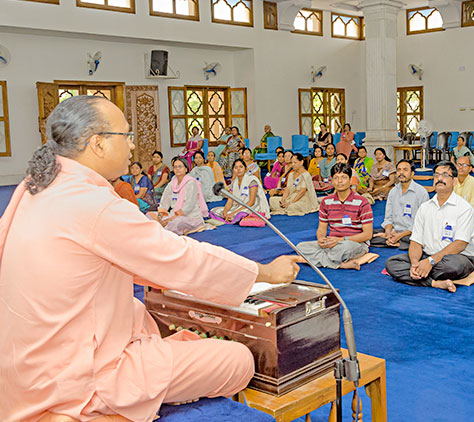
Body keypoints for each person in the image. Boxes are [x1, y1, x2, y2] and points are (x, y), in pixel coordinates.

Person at [0, 95, 300, 422]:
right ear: (97, 144)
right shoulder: (93, 202)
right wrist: (264, 272)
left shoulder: (33, 186)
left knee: (137, 310)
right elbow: (180, 257)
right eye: (125, 136)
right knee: (237, 360)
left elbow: (125, 260)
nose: (131, 147)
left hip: (21, 369)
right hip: (76, 375)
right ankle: (101, 411)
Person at [385, 161, 474, 293]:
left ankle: (419, 274)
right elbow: (416, 241)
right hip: (427, 256)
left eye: (445, 175)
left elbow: (459, 244)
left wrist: (430, 262)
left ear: (454, 181)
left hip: (456, 257)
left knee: (453, 267)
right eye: (436, 175)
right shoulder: (425, 208)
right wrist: (414, 263)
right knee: (392, 263)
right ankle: (435, 283)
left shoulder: (464, 209)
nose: (440, 179)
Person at [295, 163, 373, 270]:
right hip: (331, 243)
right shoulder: (326, 202)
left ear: (350, 180)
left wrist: (341, 240)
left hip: (354, 244)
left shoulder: (362, 202)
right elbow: (321, 228)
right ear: (332, 181)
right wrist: (321, 240)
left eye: (344, 178)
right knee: (300, 247)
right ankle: (340, 264)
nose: (339, 181)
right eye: (336, 178)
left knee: (345, 249)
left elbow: (368, 235)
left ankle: (320, 259)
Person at [371, 159, 429, 250]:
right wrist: (388, 232)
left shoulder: (421, 192)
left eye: (405, 170)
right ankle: (392, 240)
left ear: (412, 173)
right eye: (398, 170)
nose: (401, 173)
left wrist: (399, 235)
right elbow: (388, 217)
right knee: (368, 235)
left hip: (410, 233)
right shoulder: (393, 192)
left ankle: (394, 241)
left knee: (421, 240)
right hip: (395, 230)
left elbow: (421, 223)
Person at [149, 157, 208, 235]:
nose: (177, 169)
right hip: (173, 214)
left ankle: (160, 231)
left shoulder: (191, 183)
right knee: (149, 215)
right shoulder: (172, 183)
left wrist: (171, 219)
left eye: (180, 166)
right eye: (175, 167)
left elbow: (189, 206)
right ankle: (160, 228)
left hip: (189, 216)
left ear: (186, 169)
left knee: (176, 223)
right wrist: (160, 215)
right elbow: (165, 200)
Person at [212, 159, 270, 223]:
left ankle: (235, 217)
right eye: (236, 167)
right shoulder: (234, 182)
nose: (238, 169)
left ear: (245, 169)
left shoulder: (251, 180)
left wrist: (233, 213)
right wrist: (225, 212)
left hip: (252, 207)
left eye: (241, 167)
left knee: (240, 214)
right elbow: (230, 200)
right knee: (214, 210)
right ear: (233, 170)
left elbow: (251, 202)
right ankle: (231, 217)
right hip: (239, 206)